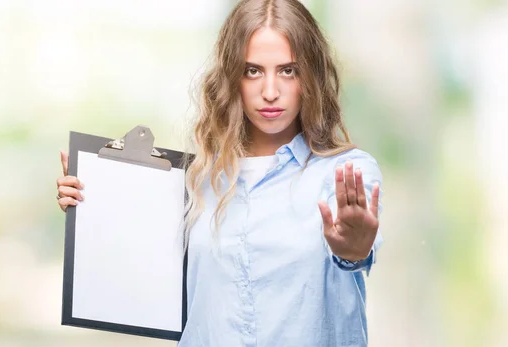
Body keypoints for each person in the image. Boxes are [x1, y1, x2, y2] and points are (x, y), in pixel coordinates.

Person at [56, 0, 384, 346]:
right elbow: (136, 269)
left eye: (288, 70)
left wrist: (353, 251)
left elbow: (358, 252)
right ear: (231, 77)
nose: (270, 92)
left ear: (311, 77)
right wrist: (91, 203)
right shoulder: (194, 181)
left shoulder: (346, 173)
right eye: (252, 71)